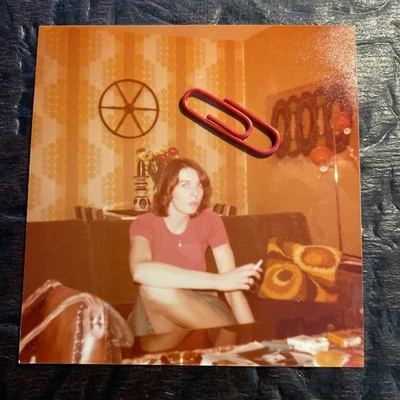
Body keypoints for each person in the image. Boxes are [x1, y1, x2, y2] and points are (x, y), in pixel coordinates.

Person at [128, 157, 262, 336]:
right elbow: (139, 271)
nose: (195, 193)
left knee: (155, 289)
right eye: (185, 185)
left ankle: (229, 340)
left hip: (202, 309)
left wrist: (254, 335)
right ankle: (223, 343)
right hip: (160, 316)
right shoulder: (144, 223)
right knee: (153, 288)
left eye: (198, 185)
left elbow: (232, 290)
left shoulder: (210, 220)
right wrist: (218, 281)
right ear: (167, 190)